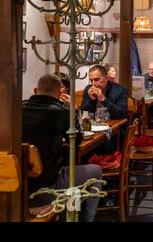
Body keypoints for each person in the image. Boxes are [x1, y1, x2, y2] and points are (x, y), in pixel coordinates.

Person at [22, 74, 102, 222]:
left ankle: (65, 215)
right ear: (60, 93)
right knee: (95, 171)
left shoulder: (18, 108)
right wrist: (73, 110)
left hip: (19, 188)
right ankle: (83, 219)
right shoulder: (61, 112)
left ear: (35, 90)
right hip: (47, 187)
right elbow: (77, 139)